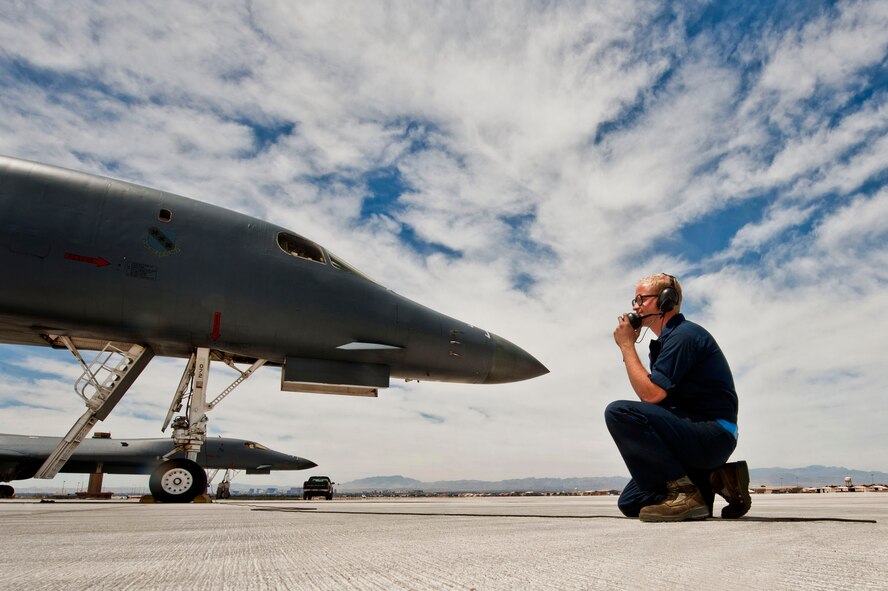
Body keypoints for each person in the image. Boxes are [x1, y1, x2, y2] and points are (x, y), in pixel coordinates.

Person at [605, 273, 751, 522]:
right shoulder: (664, 343)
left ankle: (685, 494)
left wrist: (627, 346)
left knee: (618, 412)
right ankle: (716, 479)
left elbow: (650, 396)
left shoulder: (684, 336)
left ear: (666, 300)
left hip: (713, 433)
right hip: (689, 433)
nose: (635, 306)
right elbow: (656, 405)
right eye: (634, 300)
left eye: (641, 299)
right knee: (630, 503)